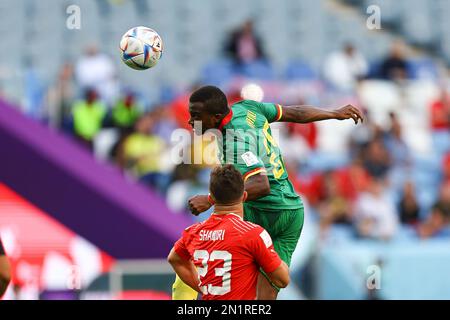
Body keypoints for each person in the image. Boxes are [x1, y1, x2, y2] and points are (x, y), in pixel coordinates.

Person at [181, 85, 363, 300]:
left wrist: (210, 199)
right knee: (265, 297)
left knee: (200, 252)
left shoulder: (236, 142)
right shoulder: (248, 107)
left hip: (266, 211)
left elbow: (260, 184)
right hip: (292, 211)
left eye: (196, 115)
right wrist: (333, 113)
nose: (190, 121)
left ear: (216, 117)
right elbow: (294, 113)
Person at [168, 165, 289, 300]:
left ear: (211, 197)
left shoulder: (193, 233)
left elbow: (174, 259)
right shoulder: (252, 234)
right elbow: (282, 280)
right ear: (244, 196)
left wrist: (204, 289)